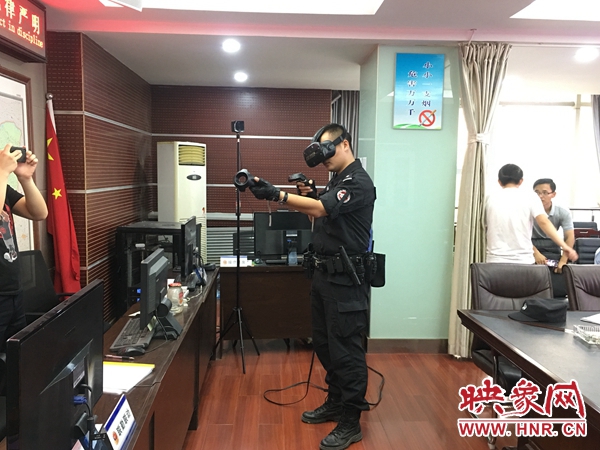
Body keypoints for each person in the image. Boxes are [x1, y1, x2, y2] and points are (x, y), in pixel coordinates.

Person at [247, 123, 375, 450]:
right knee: (324, 344)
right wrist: (307, 197)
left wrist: (277, 195)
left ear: (345, 144)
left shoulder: (357, 182)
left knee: (346, 351)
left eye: (328, 149)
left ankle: (351, 421)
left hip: (346, 282)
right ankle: (335, 401)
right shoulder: (336, 182)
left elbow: (321, 209)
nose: (325, 158)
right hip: (324, 277)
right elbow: (317, 217)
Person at [0, 144, 48, 350]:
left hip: (12, 291)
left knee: (16, 358)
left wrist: (25, 179)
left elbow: (38, 212)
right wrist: (3, 172)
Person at [485, 164, 577, 264]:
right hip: (523, 260)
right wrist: (565, 247)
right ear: (521, 181)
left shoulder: (489, 199)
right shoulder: (530, 197)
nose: (541, 196)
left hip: (494, 260)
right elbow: (544, 222)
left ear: (499, 182)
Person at [531, 178, 575, 273]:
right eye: (537, 193)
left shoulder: (562, 211)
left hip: (552, 246)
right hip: (531, 246)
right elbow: (521, 235)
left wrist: (563, 261)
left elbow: (569, 236)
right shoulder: (527, 210)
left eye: (545, 193)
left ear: (553, 194)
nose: (540, 196)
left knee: (557, 274)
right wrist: (535, 253)